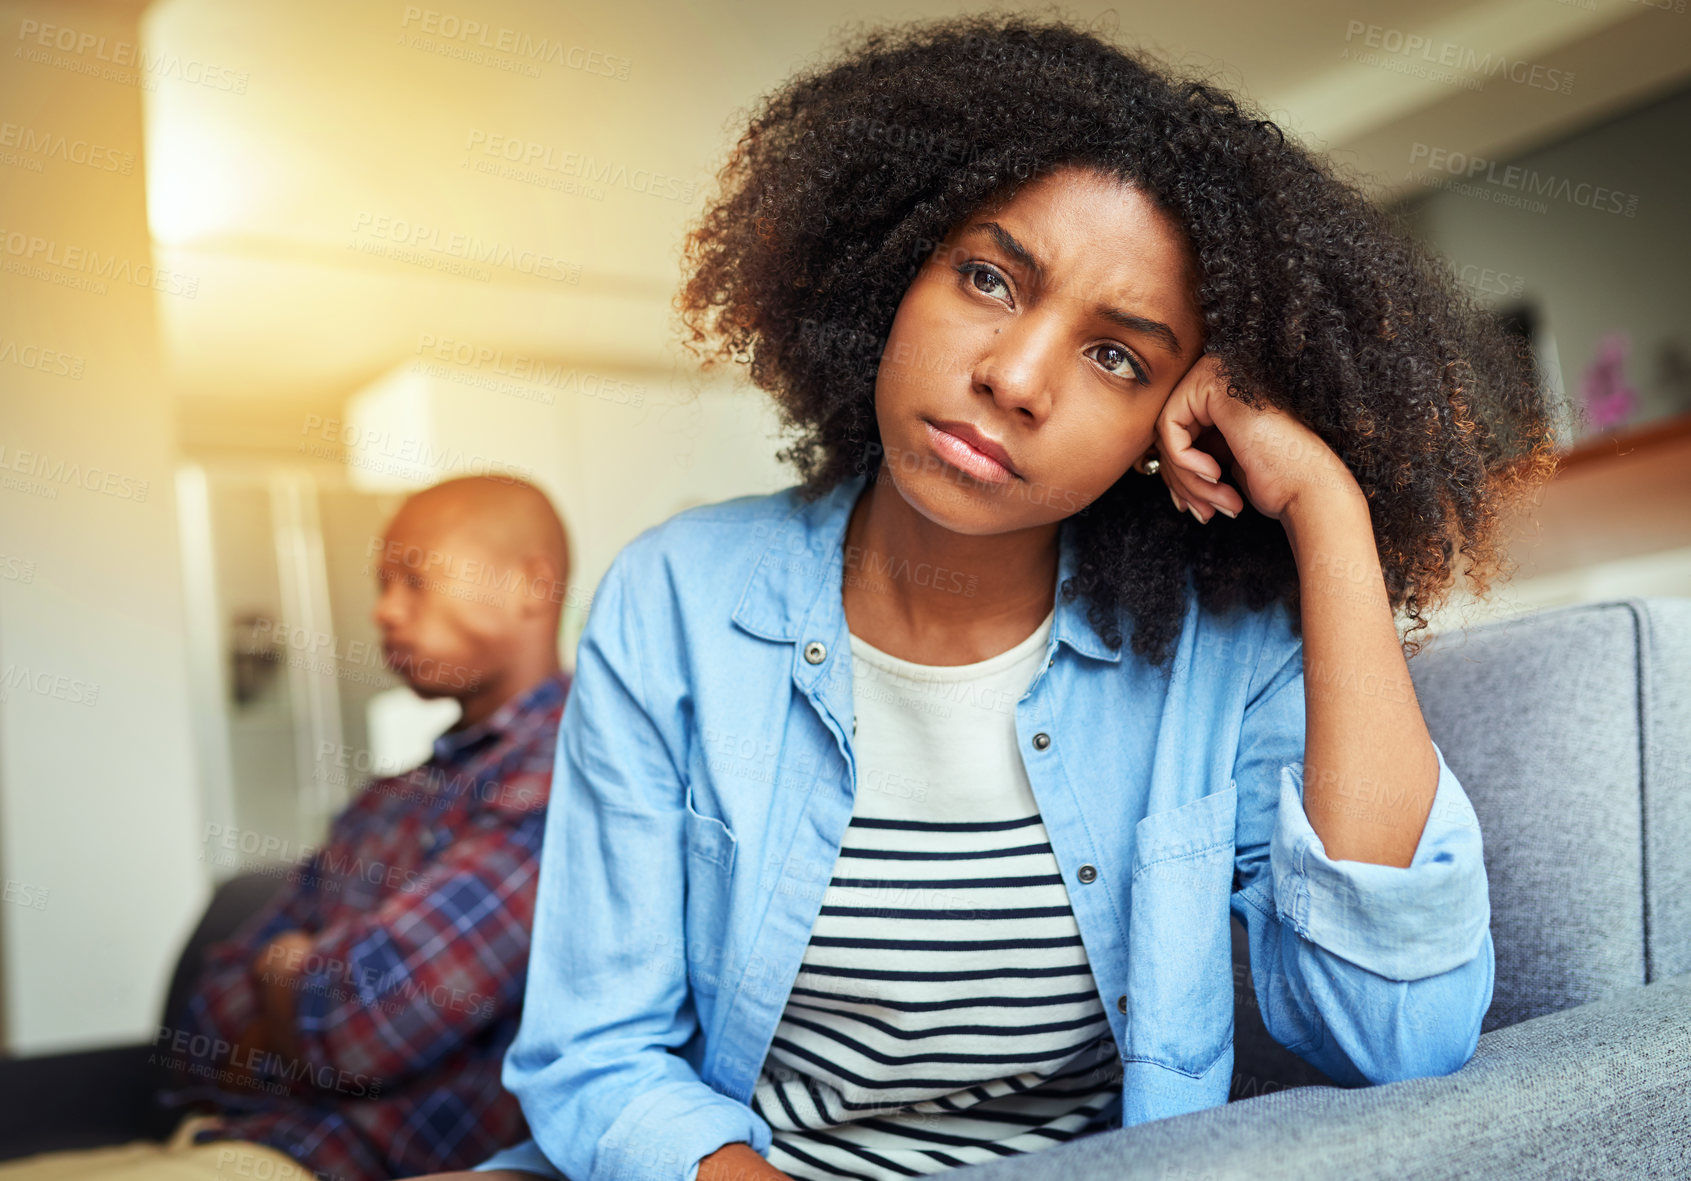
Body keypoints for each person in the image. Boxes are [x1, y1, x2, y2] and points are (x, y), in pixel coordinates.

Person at [426, 15, 1556, 1181]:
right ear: (889, 266)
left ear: (1167, 428)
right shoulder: (678, 597)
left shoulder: (1225, 652)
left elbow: (1399, 1035)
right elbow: (594, 1053)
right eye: (985, 278)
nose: (1013, 378)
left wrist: (1325, 506)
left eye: (1117, 356)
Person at [0, 475, 575, 1181]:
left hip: (326, 1163)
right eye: (379, 583)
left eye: (414, 580)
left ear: (529, 585)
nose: (384, 611)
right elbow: (200, 1026)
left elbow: (363, 1021)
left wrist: (293, 979)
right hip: (210, 1139)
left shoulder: (569, 772)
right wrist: (300, 991)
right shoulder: (390, 796)